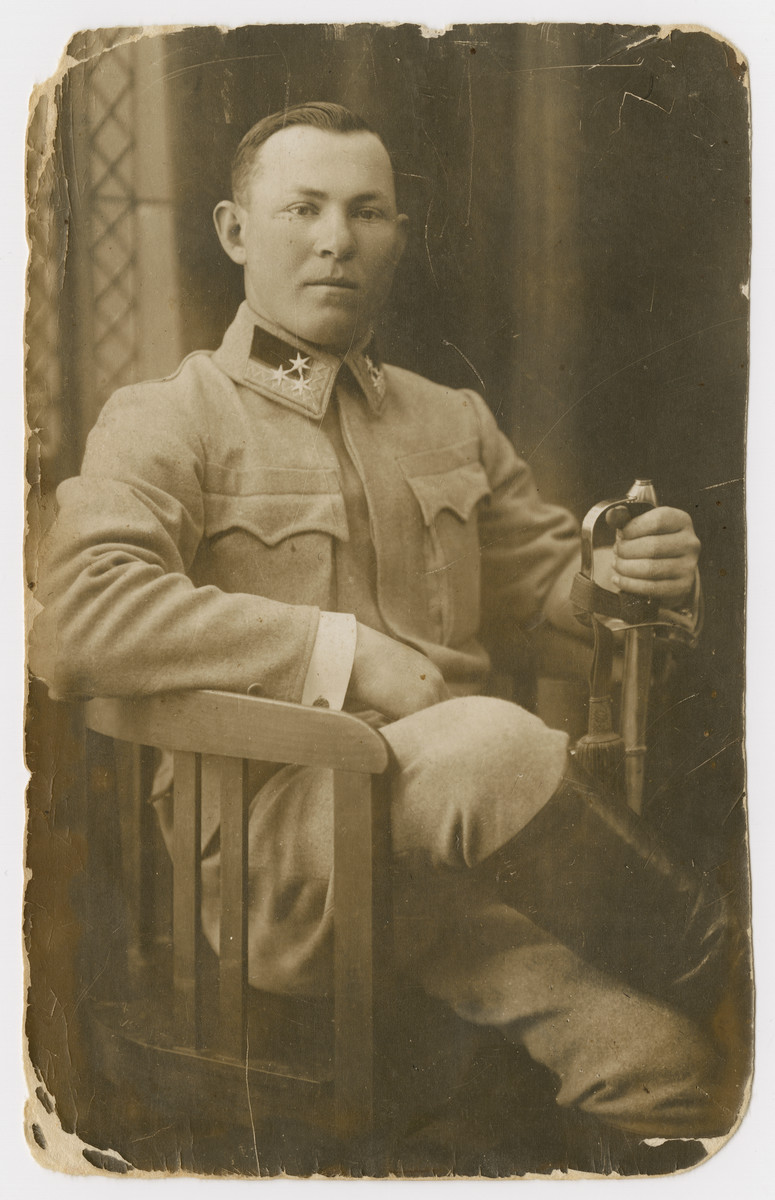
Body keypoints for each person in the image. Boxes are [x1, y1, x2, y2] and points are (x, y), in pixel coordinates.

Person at [31, 102, 737, 1144]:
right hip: (282, 874)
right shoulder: (169, 417)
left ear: (399, 235)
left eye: (366, 212)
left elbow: (547, 591)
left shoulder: (447, 417)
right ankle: (729, 965)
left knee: (666, 1066)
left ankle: (702, 1014)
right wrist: (343, 654)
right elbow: (75, 617)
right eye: (302, 209)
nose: (334, 239)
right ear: (235, 231)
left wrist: (615, 571)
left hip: (457, 863)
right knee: (486, 737)